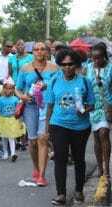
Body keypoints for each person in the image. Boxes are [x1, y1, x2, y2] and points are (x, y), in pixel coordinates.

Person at [46, 49, 95, 205]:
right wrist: (47, 129)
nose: (67, 67)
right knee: (60, 158)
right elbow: (50, 106)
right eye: (63, 64)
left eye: (70, 64)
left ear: (76, 64)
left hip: (80, 127)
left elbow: (92, 104)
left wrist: (84, 110)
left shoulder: (84, 81)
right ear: (60, 65)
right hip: (58, 124)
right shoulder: (54, 80)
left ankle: (79, 191)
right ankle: (61, 194)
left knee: (78, 159)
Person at [16, 42, 58, 186]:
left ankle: (41, 175)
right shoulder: (25, 68)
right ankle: (35, 167)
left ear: (47, 52)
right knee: (33, 141)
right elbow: (18, 88)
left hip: (46, 106)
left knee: (43, 138)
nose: (39, 51)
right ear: (32, 52)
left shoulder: (54, 68)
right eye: (36, 49)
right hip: (30, 106)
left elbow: (59, 85)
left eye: (42, 49)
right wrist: (22, 97)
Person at [86, 43, 112, 177]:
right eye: (93, 58)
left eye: (99, 58)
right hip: (92, 106)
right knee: (96, 137)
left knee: (104, 133)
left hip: (107, 106)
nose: (96, 61)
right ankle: (100, 169)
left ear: (104, 57)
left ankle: (107, 168)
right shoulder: (88, 68)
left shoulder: (110, 68)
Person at [0, 77, 25, 162]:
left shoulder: (15, 99)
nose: (8, 91)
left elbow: (18, 112)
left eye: (10, 89)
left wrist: (21, 122)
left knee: (11, 137)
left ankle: (13, 153)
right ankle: (6, 152)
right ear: (3, 89)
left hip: (12, 120)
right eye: (6, 88)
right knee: (4, 138)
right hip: (3, 120)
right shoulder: (0, 100)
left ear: (13, 89)